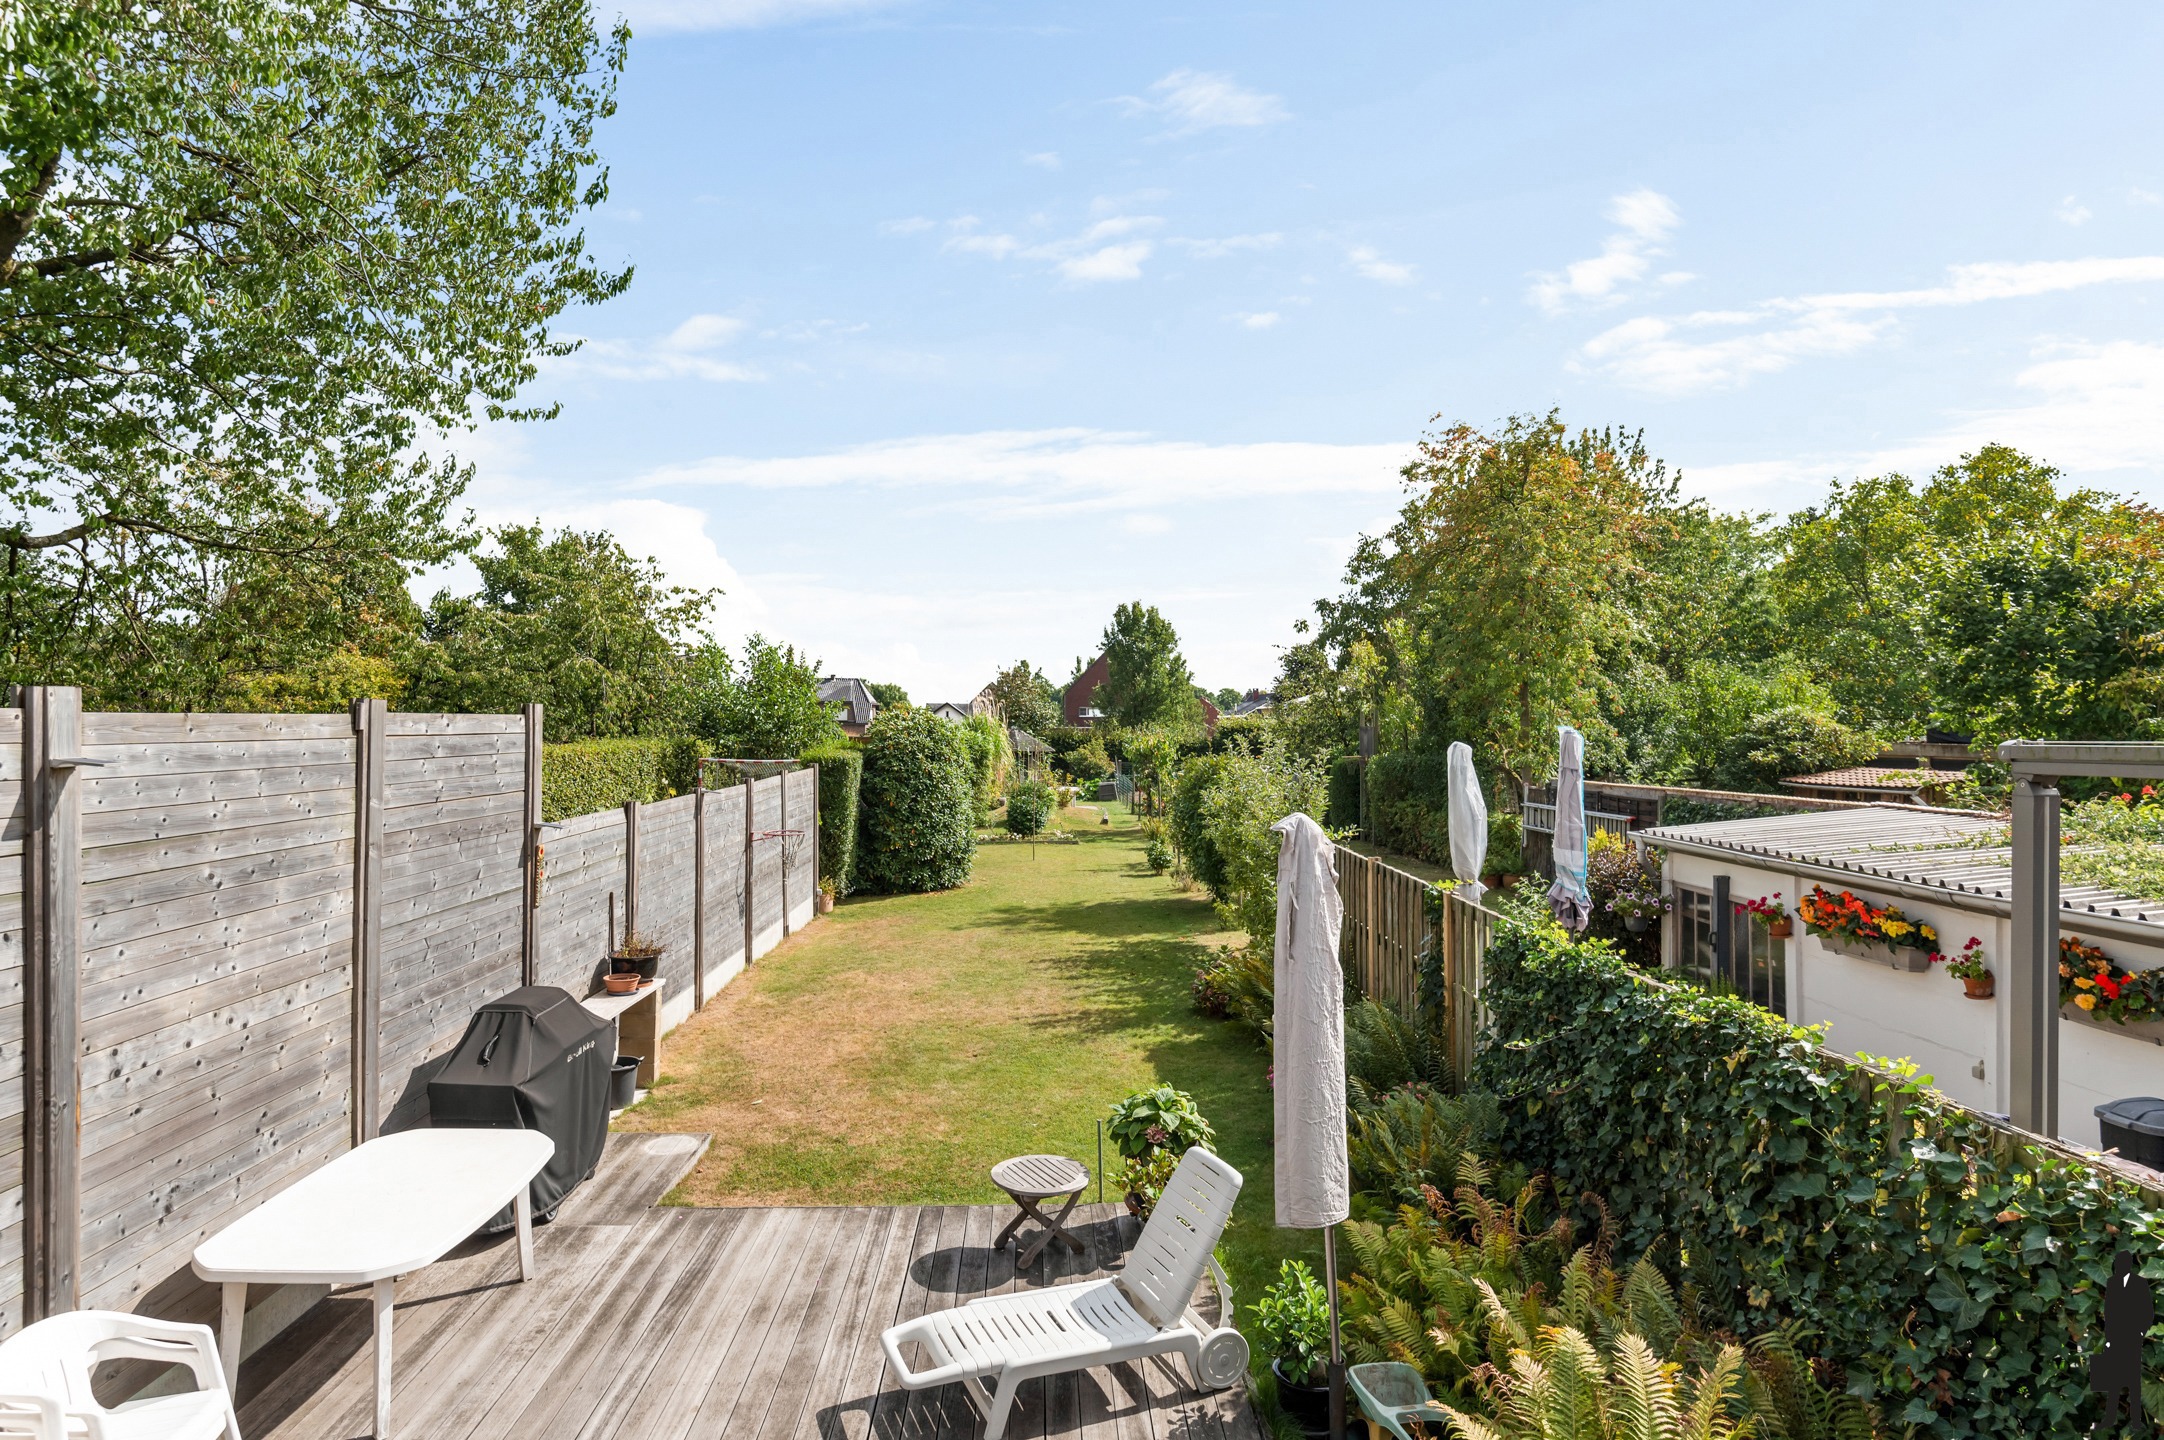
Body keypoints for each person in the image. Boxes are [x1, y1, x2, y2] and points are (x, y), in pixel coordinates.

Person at [2092, 1248, 2153, 1433]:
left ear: (2129, 1265)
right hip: (2116, 1338)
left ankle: (2136, 1420)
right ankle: (2110, 1418)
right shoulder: (2112, 1282)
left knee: (2134, 1379)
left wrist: (2141, 1332)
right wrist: (2109, 1338)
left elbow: (2147, 1311)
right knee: (2114, 1379)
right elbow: (2110, 1312)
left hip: (2133, 1337)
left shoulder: (2139, 1283)